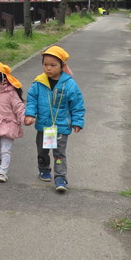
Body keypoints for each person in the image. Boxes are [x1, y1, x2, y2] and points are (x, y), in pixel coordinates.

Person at [24, 45, 86, 194]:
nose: (48, 68)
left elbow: (77, 104)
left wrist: (77, 121)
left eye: (53, 65)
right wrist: (30, 114)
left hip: (61, 127)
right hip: (44, 126)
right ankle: (44, 168)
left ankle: (60, 177)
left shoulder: (69, 84)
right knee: (42, 151)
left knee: (59, 153)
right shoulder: (39, 83)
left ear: (62, 66)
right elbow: (32, 99)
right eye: (45, 64)